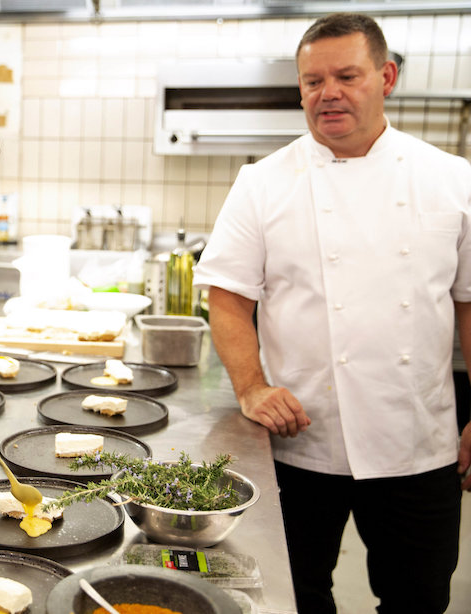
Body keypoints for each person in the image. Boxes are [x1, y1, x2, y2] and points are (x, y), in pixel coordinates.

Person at [194, 12, 471, 614]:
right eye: (313, 81)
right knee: (292, 595)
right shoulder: (263, 183)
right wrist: (251, 386)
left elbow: (470, 306)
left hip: (417, 442)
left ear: (386, 76)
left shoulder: (452, 180)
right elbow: (227, 299)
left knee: (419, 598)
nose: (329, 94)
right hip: (300, 442)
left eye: (347, 75)